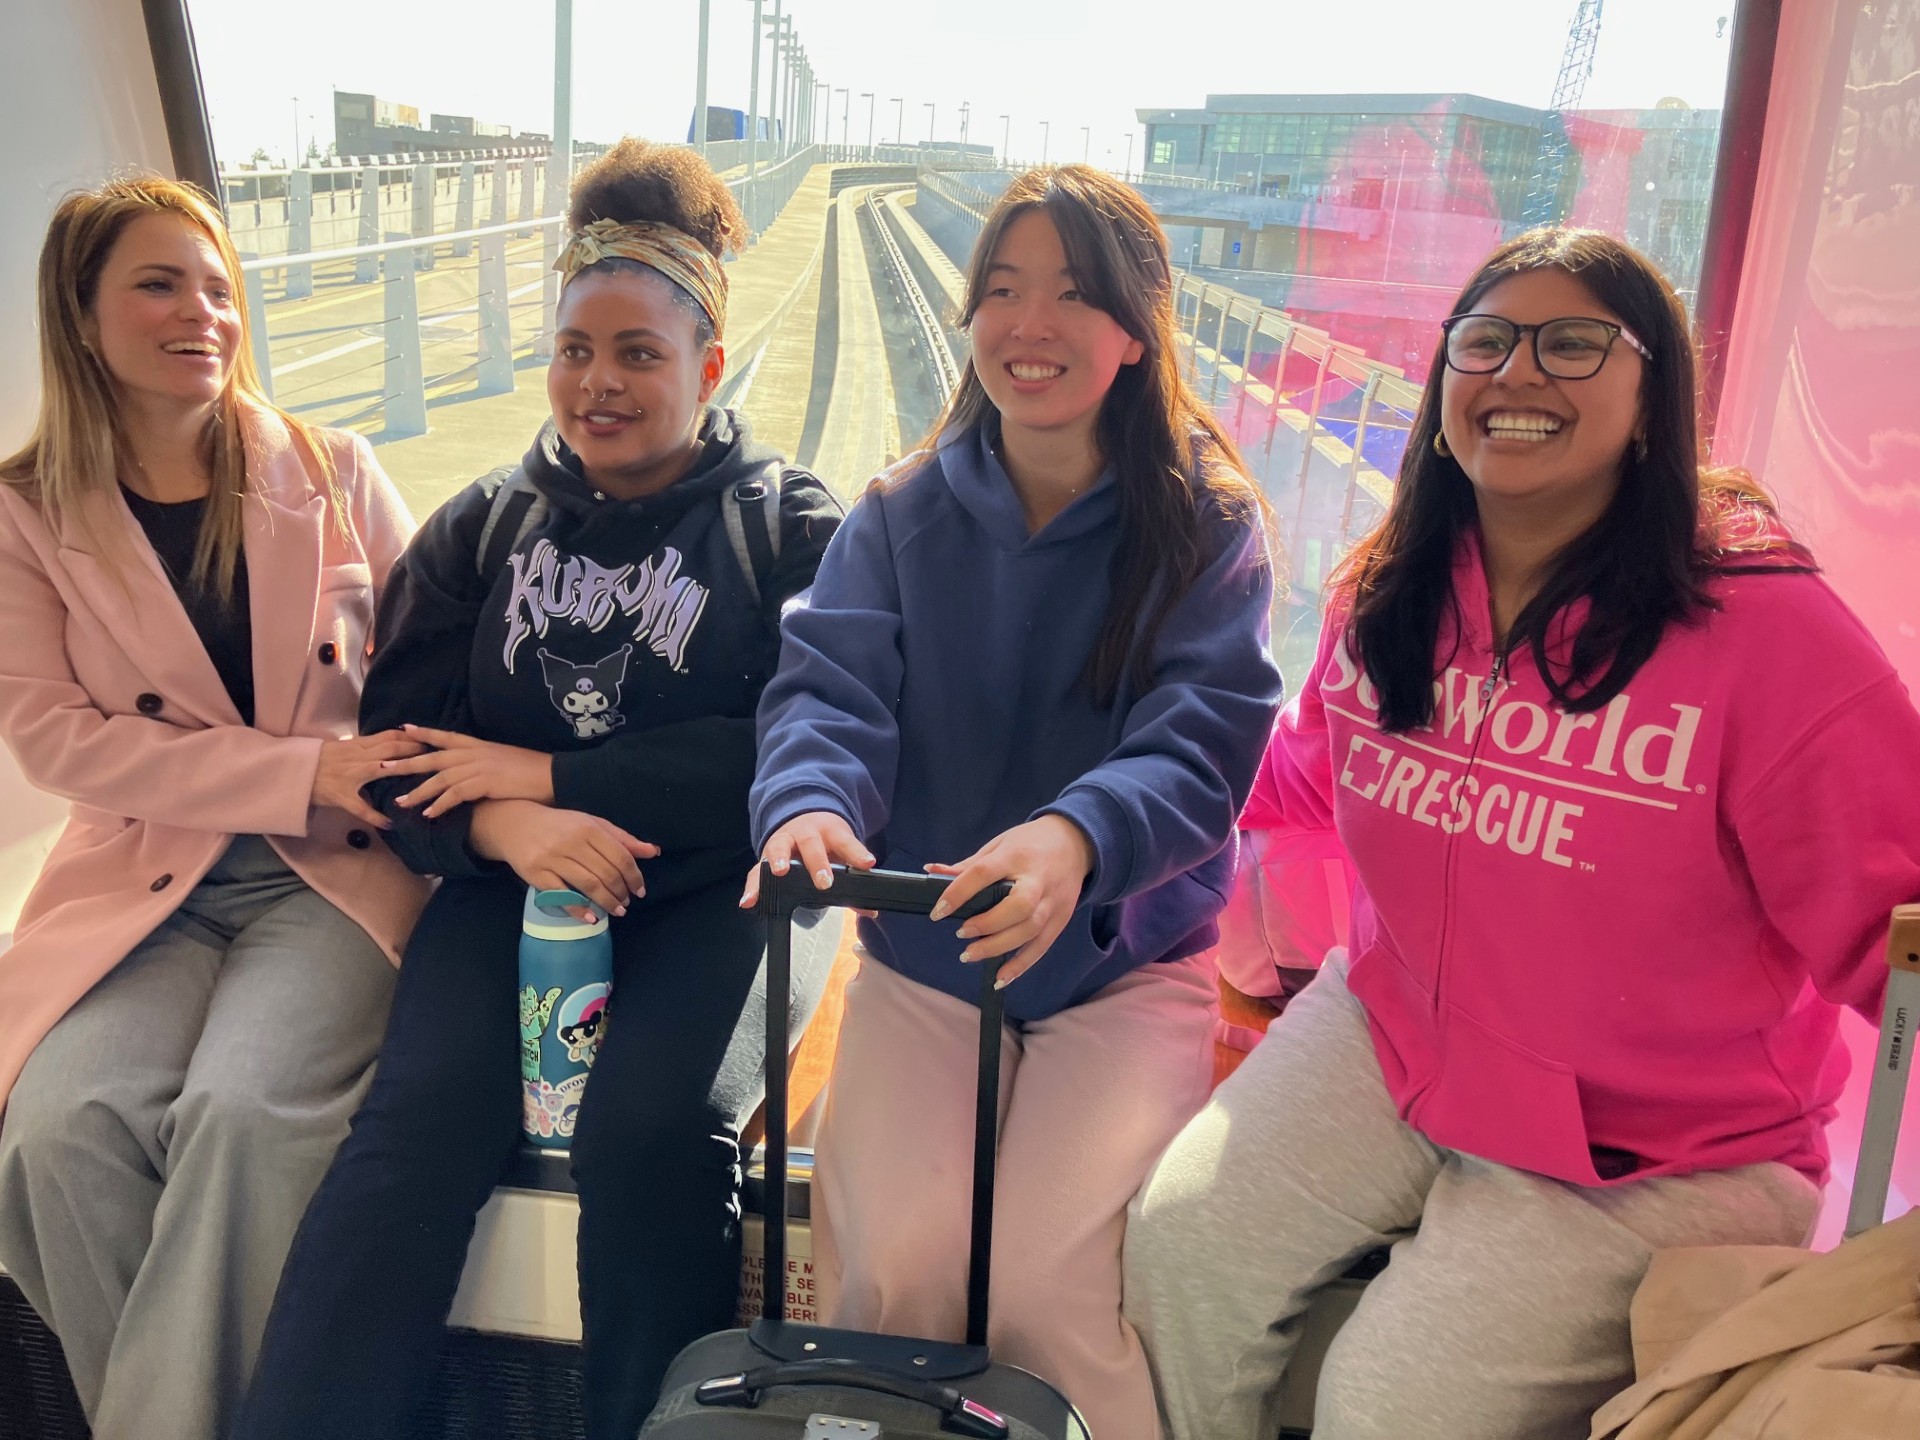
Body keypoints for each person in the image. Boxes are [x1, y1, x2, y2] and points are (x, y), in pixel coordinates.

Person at [1122, 228, 1920, 1440]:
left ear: (1656, 401)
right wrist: (1097, 788)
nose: (1518, 375)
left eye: (1575, 344)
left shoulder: (1772, 640)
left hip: (1665, 1144)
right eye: (1483, 344)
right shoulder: (1391, 595)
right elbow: (1294, 773)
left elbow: (1895, 923)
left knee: (1389, 1405)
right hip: (1394, 1039)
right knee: (1179, 1254)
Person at [234, 138, 844, 1440]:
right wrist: (510, 820)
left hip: (705, 897)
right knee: (414, 1134)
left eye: (639, 353)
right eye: (576, 348)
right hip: (514, 889)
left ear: (708, 365)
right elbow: (398, 754)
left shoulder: (787, 526)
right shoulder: (481, 529)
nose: (599, 383)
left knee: (654, 1142)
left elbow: (805, 741)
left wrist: (556, 769)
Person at [745, 164, 1284, 1440]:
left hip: (1123, 969)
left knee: (1047, 1289)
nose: (1027, 324)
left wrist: (1078, 840)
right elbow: (828, 690)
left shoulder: (1207, 528)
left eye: (1070, 295)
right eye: (1001, 289)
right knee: (895, 1273)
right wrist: (811, 803)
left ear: (1135, 335)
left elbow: (1206, 737)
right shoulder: (894, 515)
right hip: (927, 960)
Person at [0, 176, 429, 1440]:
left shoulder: (335, 472)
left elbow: (432, 664)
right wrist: (293, 768)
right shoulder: (25, 515)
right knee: (58, 1132)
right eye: (159, 283)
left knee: (244, 1118)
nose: (204, 311)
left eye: (219, 287)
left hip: (330, 874)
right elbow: (54, 739)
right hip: (147, 877)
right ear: (81, 318)